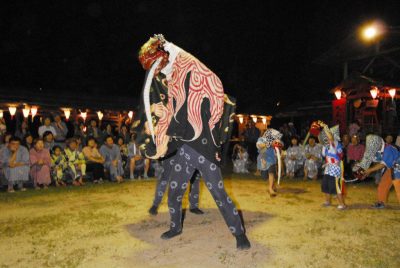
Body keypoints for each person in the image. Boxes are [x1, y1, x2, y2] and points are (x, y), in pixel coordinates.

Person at [138, 34, 250, 249]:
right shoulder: (174, 84)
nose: (159, 71)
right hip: (183, 149)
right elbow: (174, 116)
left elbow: (211, 82)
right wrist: (161, 113)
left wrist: (169, 47)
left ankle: (240, 235)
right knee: (175, 191)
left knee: (219, 193)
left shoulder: (192, 70)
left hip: (204, 147)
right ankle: (175, 227)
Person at [354, 135, 400, 209]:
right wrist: (366, 172)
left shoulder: (388, 149)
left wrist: (369, 170)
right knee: (383, 184)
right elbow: (372, 161)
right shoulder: (377, 149)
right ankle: (381, 202)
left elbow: (382, 165)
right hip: (391, 167)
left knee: (398, 186)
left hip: (398, 165)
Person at [312, 121, 346, 210]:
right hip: (328, 168)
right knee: (325, 185)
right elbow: (321, 139)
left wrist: (325, 127)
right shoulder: (325, 146)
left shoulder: (335, 143)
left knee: (335, 186)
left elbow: (330, 138)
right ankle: (327, 201)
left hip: (335, 168)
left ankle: (342, 204)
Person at [256, 128, 283, 196]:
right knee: (265, 177)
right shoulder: (261, 139)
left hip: (271, 159)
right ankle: (272, 185)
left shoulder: (274, 140)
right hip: (263, 160)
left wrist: (278, 145)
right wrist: (268, 143)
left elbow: (280, 145)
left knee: (271, 173)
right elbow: (259, 146)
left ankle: (270, 188)